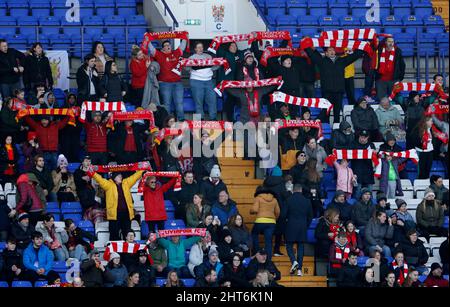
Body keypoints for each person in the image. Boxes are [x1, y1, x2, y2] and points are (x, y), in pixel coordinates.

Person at [304, 43, 365, 123]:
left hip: (338, 92)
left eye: (333, 50)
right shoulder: (322, 61)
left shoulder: (342, 61)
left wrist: (362, 45)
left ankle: (336, 130)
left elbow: (354, 56)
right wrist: (305, 44)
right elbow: (312, 54)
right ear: (326, 53)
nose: (332, 51)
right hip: (327, 92)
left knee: (337, 114)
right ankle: (324, 129)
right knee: (325, 113)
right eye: (329, 50)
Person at [89, 167, 145, 241]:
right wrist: (92, 173)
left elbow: (134, 177)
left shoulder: (126, 183)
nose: (121, 177)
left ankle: (127, 251)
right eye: (119, 176)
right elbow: (100, 179)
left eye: (121, 176)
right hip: (114, 215)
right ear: (114, 178)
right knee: (114, 235)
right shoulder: (108, 185)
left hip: (126, 214)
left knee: (127, 234)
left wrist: (142, 170)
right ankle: (114, 251)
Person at [145, 38, 188, 121]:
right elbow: (151, 49)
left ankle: (181, 121)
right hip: (165, 83)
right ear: (162, 48)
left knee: (179, 103)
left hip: (178, 83)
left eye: (169, 45)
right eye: (165, 45)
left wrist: (185, 37)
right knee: (167, 104)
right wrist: (147, 39)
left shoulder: (176, 53)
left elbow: (182, 46)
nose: (168, 46)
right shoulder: (159, 54)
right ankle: (167, 122)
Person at [281, 184, 313, 276]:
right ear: (301, 190)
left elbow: (283, 215)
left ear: (293, 190)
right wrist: (306, 225)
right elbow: (310, 216)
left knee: (289, 246)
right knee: (301, 248)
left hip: (290, 226)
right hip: (302, 227)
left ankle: (294, 261)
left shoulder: (288, 200)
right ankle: (299, 270)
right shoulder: (307, 201)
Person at [186, 42, 219, 120]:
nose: (200, 49)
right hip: (196, 81)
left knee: (213, 100)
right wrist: (190, 70)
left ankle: (213, 119)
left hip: (209, 81)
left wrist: (214, 67)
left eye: (201, 47)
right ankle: (200, 121)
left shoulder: (208, 56)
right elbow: (185, 67)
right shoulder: (191, 58)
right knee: (198, 103)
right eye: (198, 47)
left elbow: (215, 65)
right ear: (195, 49)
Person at [217, 42, 244, 121]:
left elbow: (248, 51)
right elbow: (218, 50)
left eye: (235, 46)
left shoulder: (238, 55)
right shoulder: (224, 54)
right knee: (231, 99)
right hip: (226, 84)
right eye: (232, 46)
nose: (234, 47)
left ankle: (238, 119)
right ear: (228, 47)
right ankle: (230, 120)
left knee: (239, 98)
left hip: (236, 84)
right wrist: (226, 39)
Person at [250, 187, 280, 259]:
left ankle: (257, 253)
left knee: (254, 234)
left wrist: (251, 211)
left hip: (260, 221)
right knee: (268, 241)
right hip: (271, 222)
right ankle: (268, 259)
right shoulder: (274, 199)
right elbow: (278, 212)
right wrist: (274, 218)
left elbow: (255, 209)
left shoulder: (258, 198)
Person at [375, 37, 406, 101]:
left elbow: (402, 65)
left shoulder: (397, 51)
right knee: (381, 100)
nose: (391, 43)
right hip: (381, 80)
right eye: (389, 41)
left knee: (395, 99)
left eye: (392, 42)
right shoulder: (379, 50)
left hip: (394, 79)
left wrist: (400, 77)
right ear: (385, 42)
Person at [351, 131, 376, 199]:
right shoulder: (353, 144)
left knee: (369, 192)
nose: (362, 139)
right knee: (357, 191)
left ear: (367, 137)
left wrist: (375, 153)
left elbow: (375, 159)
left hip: (368, 172)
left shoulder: (371, 145)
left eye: (364, 137)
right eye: (361, 137)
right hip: (357, 171)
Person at [378, 133, 404, 198]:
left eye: (393, 140)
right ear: (387, 141)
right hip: (384, 178)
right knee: (384, 195)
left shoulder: (398, 148)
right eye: (390, 140)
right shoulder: (382, 147)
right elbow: (378, 156)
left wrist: (394, 157)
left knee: (392, 195)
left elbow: (404, 156)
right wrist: (385, 157)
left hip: (393, 178)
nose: (392, 141)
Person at [59, 93, 81, 163]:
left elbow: (80, 121)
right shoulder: (63, 108)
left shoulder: (78, 108)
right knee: (66, 150)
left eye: (73, 98)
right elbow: (61, 121)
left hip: (75, 133)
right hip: (65, 133)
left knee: (75, 149)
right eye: (70, 98)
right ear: (67, 99)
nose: (72, 99)